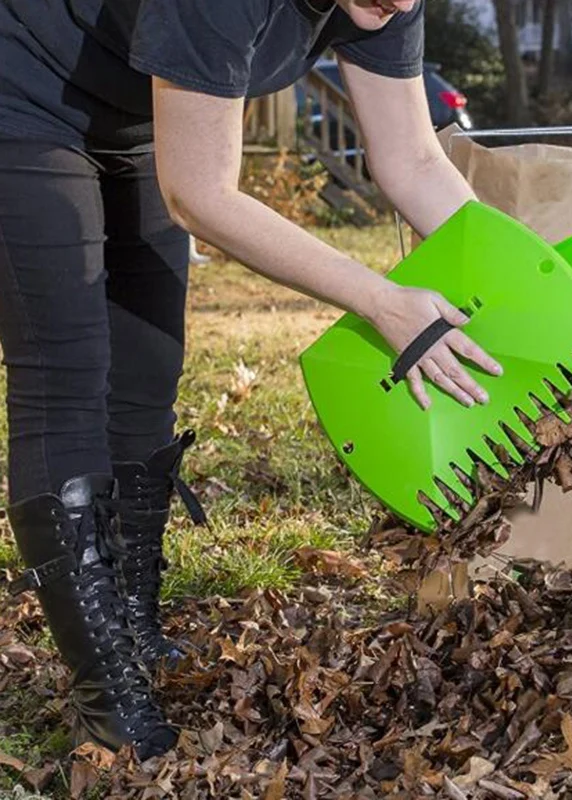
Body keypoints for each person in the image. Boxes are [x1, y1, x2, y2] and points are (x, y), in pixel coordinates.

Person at [0, 0, 503, 760]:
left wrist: (521, 289)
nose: (400, 4)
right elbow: (200, 195)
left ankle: (132, 631)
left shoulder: (386, 0)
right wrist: (379, 299)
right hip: (22, 96)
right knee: (68, 371)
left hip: (140, 124)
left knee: (145, 383)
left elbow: (413, 160)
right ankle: (107, 694)